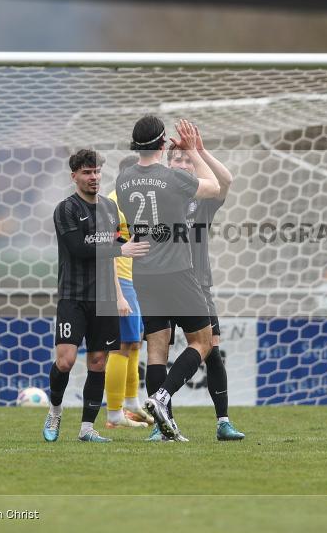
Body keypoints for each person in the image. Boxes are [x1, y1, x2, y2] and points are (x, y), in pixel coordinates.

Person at [115, 116, 221, 441]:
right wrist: (193, 150)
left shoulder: (123, 180)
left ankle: (165, 430)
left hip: (143, 275)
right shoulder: (173, 177)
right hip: (177, 272)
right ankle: (161, 398)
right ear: (164, 144)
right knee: (202, 342)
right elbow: (214, 186)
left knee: (156, 352)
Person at [43, 149, 149, 443]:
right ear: (74, 176)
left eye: (97, 172)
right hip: (73, 296)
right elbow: (79, 249)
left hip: (104, 298)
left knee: (99, 362)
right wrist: (121, 249)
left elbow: (120, 244)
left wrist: (141, 242)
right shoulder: (66, 209)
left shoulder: (109, 209)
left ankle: (87, 428)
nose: (94, 177)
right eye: (87, 173)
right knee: (64, 361)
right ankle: (55, 410)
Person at [153, 140, 245, 441]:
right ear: (167, 165)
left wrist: (198, 151)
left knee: (211, 349)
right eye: (176, 159)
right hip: (163, 283)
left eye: (186, 160)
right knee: (158, 352)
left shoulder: (202, 199)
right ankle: (161, 425)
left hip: (198, 284)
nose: (181, 164)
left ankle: (223, 422)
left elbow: (225, 180)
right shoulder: (159, 195)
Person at [104, 154, 154, 429]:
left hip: (134, 282)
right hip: (119, 282)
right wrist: (118, 295)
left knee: (134, 343)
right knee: (121, 346)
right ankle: (114, 413)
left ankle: (131, 403)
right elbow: (108, 252)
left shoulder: (135, 204)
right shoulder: (112, 204)